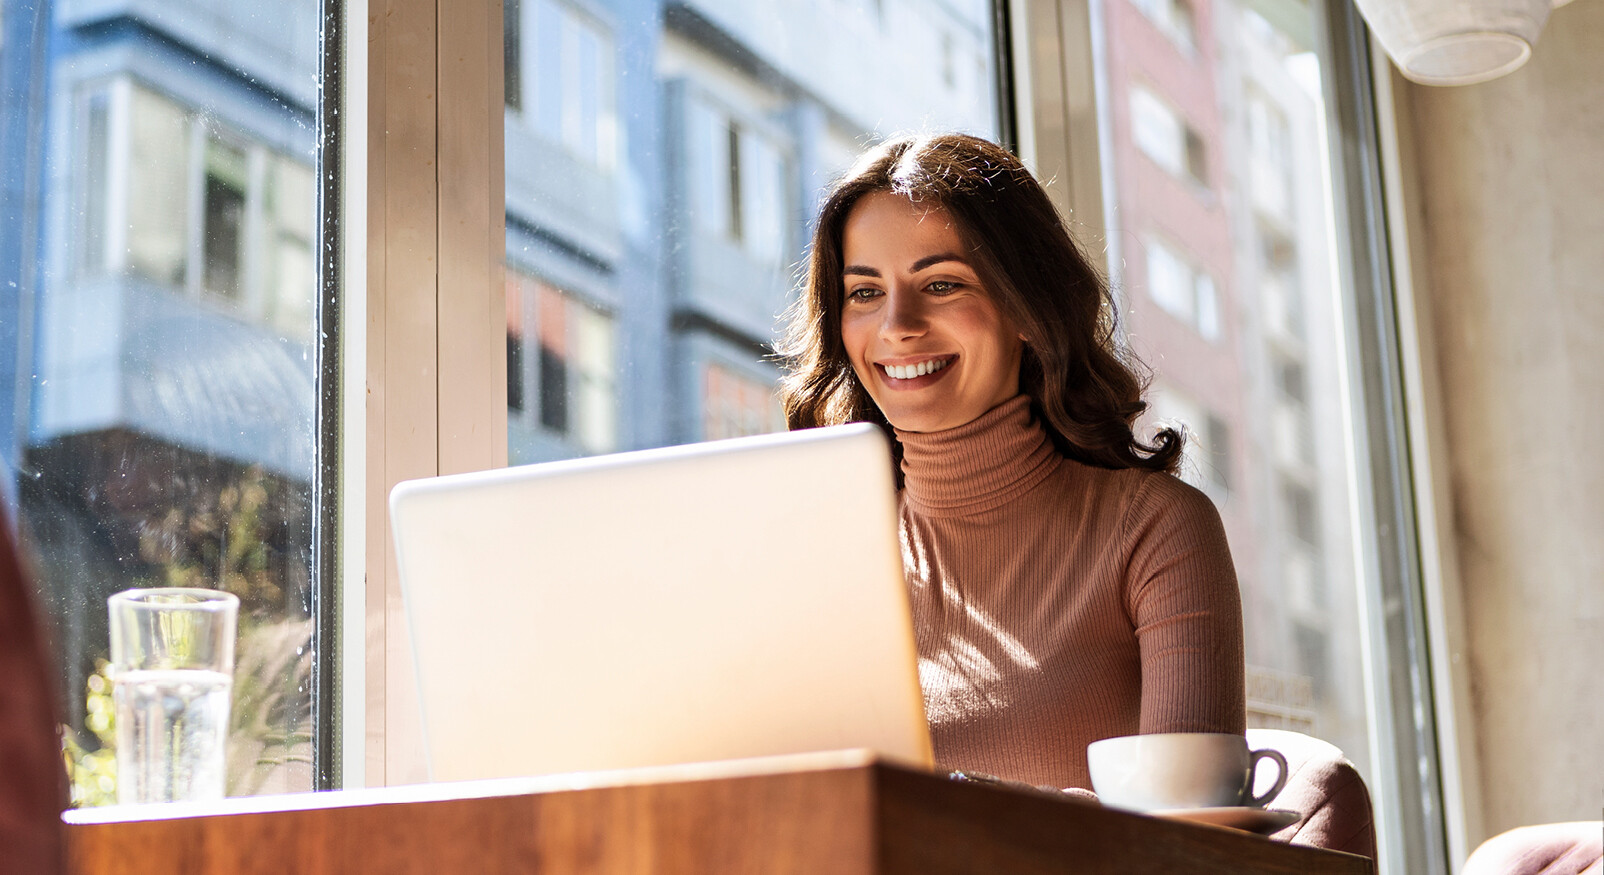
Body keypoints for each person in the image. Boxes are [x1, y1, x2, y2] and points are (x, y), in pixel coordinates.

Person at [780, 132, 1245, 792]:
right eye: (863, 293)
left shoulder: (1157, 530)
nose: (896, 325)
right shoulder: (826, 552)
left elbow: (1188, 836)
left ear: (1026, 308)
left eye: (941, 284)